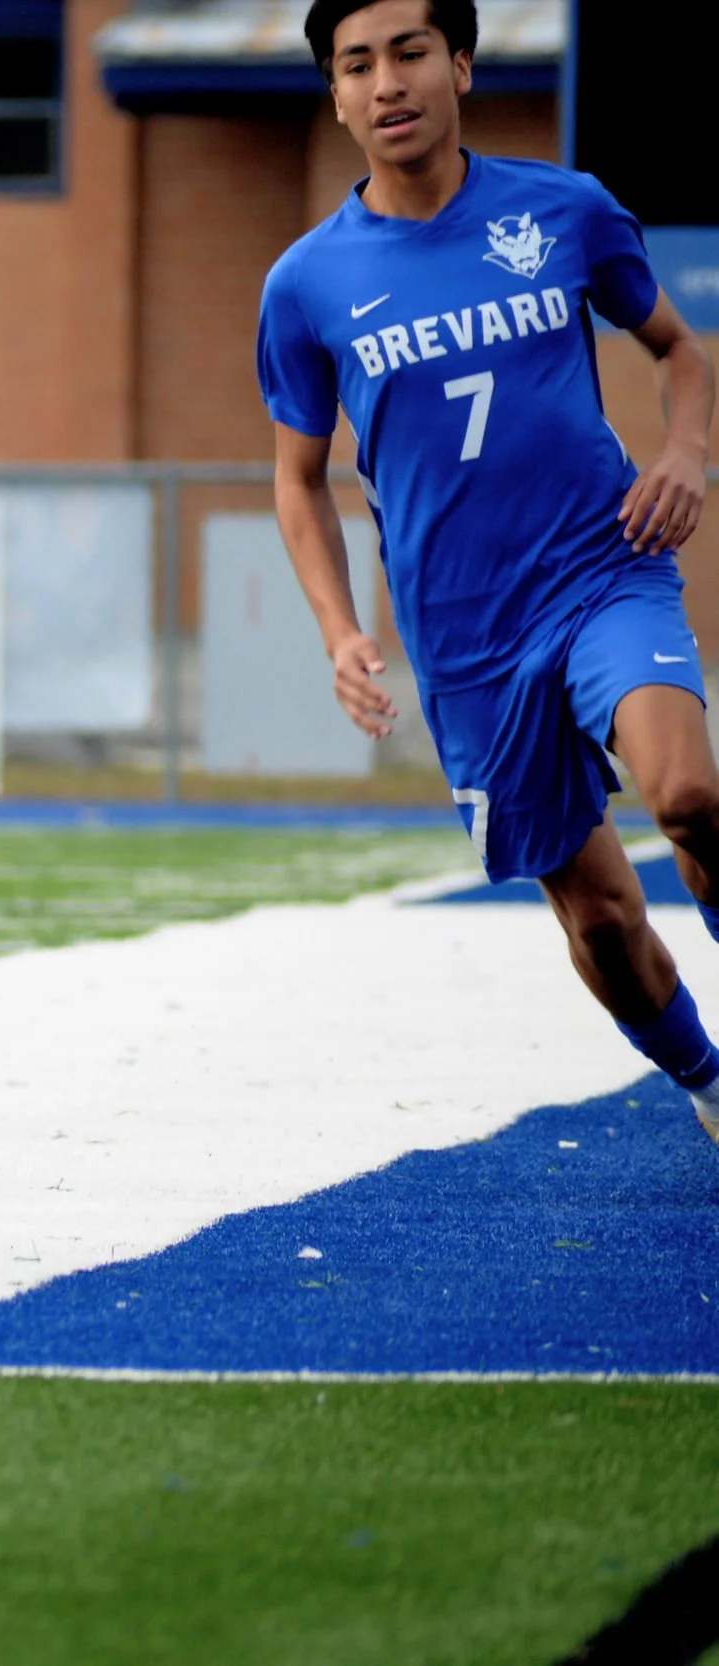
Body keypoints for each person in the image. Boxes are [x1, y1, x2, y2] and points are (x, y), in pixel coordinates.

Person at [261, 0, 719, 1148]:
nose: (386, 83)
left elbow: (678, 349)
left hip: (600, 569)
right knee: (601, 917)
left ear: (459, 64)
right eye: (356, 65)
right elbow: (296, 481)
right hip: (464, 641)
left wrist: (684, 453)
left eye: (409, 52)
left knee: (687, 796)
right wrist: (338, 631)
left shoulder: (564, 210)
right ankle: (708, 1085)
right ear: (335, 96)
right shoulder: (305, 285)